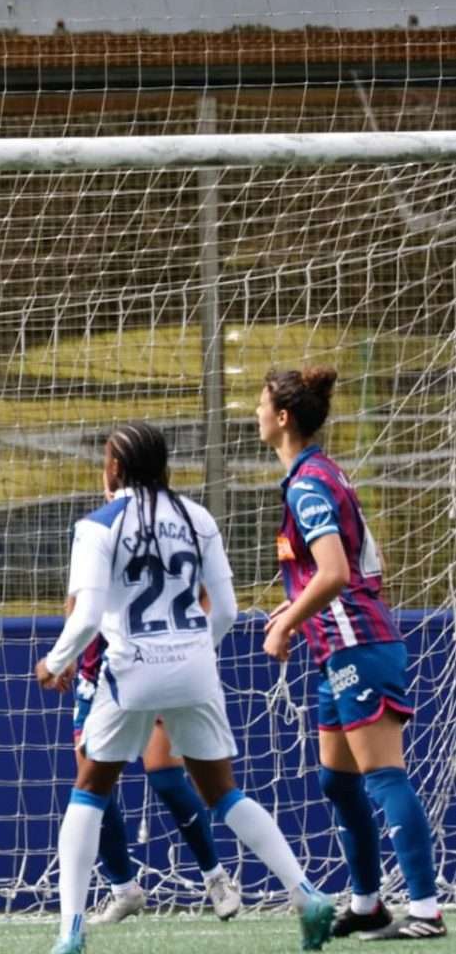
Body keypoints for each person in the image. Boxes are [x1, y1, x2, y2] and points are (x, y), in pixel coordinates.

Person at [35, 423, 332, 954]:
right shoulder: (198, 518)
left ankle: (70, 933)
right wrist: (192, 653)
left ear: (116, 470)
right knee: (224, 792)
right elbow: (228, 609)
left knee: (89, 792)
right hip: (196, 668)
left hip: (130, 670)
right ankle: (305, 895)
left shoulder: (97, 526)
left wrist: (53, 662)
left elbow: (84, 621)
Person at [258, 366, 446, 940]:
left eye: (261, 404)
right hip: (337, 648)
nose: (255, 413)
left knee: (384, 775)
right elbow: (359, 566)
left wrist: (288, 618)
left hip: (359, 644)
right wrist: (295, 617)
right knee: (337, 782)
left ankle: (426, 910)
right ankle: (367, 901)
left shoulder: (309, 482)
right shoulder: (317, 473)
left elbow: (337, 572)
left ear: (283, 417)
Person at [70, 646, 240, 922]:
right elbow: (79, 607)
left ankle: (216, 878)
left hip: (150, 664)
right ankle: (124, 890)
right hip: (97, 674)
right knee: (91, 789)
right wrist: (67, 654)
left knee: (166, 778)